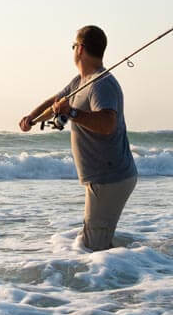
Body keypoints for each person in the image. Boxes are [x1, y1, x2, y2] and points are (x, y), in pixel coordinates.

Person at [19, 25, 137, 251]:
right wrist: (32, 118)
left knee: (93, 248)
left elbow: (107, 123)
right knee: (95, 241)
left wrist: (71, 113)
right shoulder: (79, 81)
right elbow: (56, 102)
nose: (73, 50)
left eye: (73, 46)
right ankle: (124, 274)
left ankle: (120, 281)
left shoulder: (101, 84)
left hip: (110, 179)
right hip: (102, 178)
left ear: (80, 49)